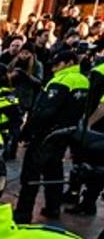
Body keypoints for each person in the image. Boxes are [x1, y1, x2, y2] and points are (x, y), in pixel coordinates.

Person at [15, 50, 88, 223]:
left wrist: (27, 131)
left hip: (46, 134)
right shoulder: (84, 80)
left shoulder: (61, 81)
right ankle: (53, 207)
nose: (54, 68)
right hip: (66, 132)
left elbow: (45, 111)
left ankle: (23, 213)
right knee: (53, 170)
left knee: (30, 174)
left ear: (68, 62)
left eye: (57, 64)